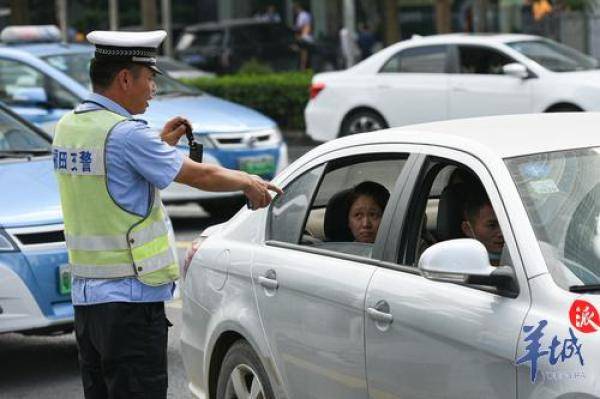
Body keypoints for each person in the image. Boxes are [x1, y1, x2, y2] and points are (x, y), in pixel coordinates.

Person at [52, 30, 282, 399]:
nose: (154, 88)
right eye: (149, 77)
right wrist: (247, 182)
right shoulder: (127, 135)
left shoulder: (69, 127)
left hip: (88, 305)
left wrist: (159, 145)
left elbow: (114, 174)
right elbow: (199, 174)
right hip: (129, 303)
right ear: (125, 78)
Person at [460, 186, 505, 266]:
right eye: (492, 226)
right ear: (468, 229)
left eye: (506, 225)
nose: (502, 233)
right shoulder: (464, 268)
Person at [292, 2, 313, 70]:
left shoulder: (301, 15)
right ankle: (305, 67)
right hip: (308, 37)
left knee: (303, 53)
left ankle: (302, 68)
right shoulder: (307, 14)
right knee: (306, 53)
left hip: (304, 37)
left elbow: (299, 27)